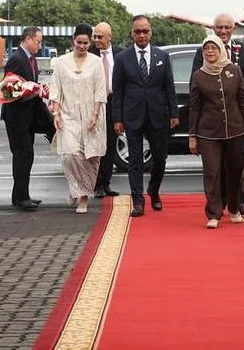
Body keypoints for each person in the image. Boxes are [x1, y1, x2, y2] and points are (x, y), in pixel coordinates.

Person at [112, 15, 179, 217]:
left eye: (145, 31)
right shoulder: (122, 58)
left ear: (151, 32)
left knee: (160, 158)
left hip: (157, 115)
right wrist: (117, 118)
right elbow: (118, 91)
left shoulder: (162, 56)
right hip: (132, 115)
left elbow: (169, 87)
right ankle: (138, 201)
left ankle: (154, 190)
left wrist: (173, 113)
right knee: (135, 160)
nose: (142, 35)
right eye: (138, 31)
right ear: (132, 33)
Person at [188, 35, 244, 228]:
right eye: (206, 48)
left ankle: (234, 208)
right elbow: (194, 108)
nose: (210, 52)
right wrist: (192, 136)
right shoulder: (199, 76)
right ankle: (214, 213)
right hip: (208, 133)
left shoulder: (234, 70)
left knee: (234, 171)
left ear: (221, 50)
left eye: (213, 48)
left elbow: (243, 100)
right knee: (212, 172)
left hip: (235, 130)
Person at [49, 24, 107, 214]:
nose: (82, 46)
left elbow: (100, 90)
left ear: (90, 43)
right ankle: (74, 187)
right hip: (68, 115)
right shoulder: (62, 62)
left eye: (85, 43)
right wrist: (56, 114)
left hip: (92, 116)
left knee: (90, 158)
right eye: (78, 42)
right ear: (73, 40)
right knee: (69, 155)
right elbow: (55, 89)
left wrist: (95, 114)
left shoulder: (96, 62)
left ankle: (83, 198)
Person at [0, 26, 47, 211]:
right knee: (23, 155)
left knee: (26, 155)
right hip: (16, 116)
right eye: (38, 41)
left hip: (27, 116)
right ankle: (21, 198)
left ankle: (21, 194)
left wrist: (36, 88)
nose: (39, 45)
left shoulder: (30, 59)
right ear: (28, 39)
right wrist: (30, 89)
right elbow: (8, 89)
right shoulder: (16, 59)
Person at [90, 22, 121, 198]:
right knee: (95, 145)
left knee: (110, 146)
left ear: (110, 37)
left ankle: (105, 183)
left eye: (100, 37)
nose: (96, 40)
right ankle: (96, 183)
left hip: (113, 103)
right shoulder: (89, 54)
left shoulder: (120, 54)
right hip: (94, 105)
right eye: (95, 36)